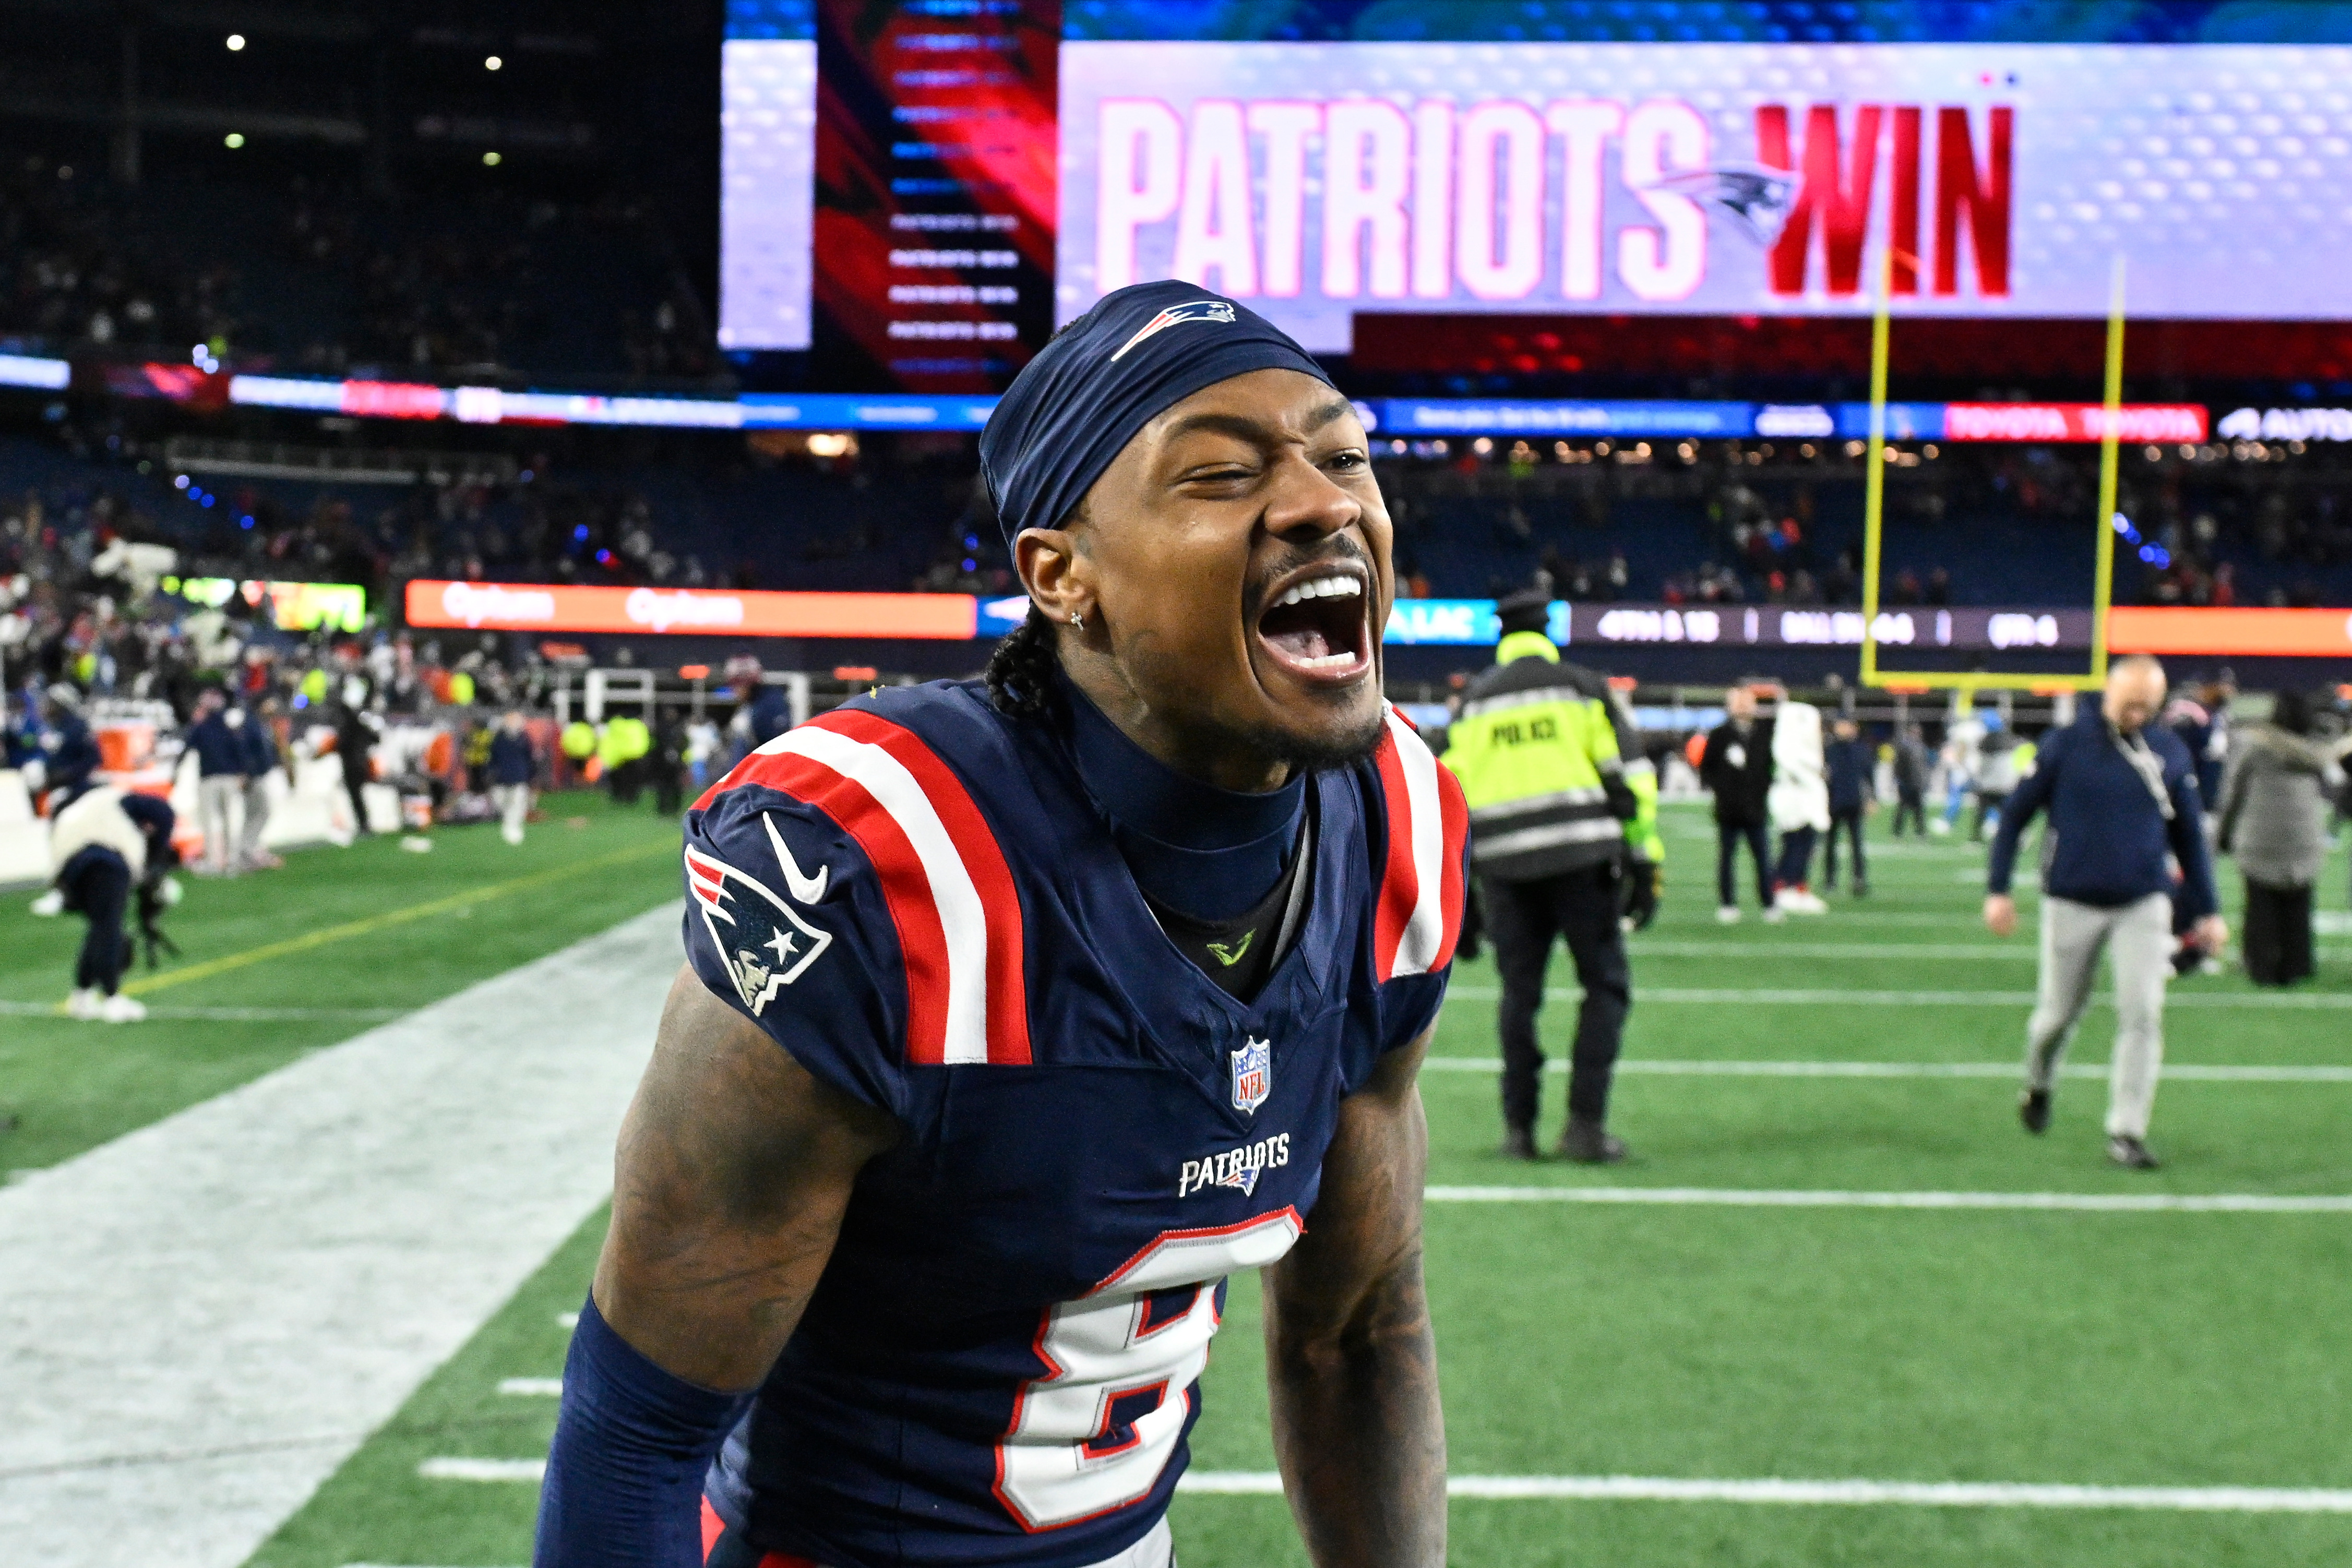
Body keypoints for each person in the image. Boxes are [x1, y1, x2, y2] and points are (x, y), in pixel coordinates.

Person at [535, 281, 1458, 1568]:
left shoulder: (1393, 824)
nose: (1322, 500)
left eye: (1342, 453)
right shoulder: (881, 869)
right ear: (1060, 574)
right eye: (1215, 474)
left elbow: (1351, 1330)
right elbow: (637, 1431)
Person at [1985, 656, 2223, 1169]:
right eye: (2129, 701)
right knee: (2056, 1016)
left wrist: (2209, 909)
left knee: (2142, 1013)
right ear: (2109, 693)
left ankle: (2126, 1130)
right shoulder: (2065, 745)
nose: (2138, 712)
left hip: (2143, 901)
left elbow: (2189, 840)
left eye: (2148, 704)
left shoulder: (2169, 751)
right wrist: (1998, 888)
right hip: (2071, 898)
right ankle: (2039, 1083)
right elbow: (2014, 816)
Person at [1441, 586, 1640, 1163]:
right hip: (1582, 861)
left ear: (1502, 637)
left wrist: (1465, 891)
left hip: (1504, 869)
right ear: (1546, 633)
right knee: (1604, 986)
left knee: (1519, 997)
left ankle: (1518, 1130)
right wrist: (1644, 855)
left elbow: (1452, 795)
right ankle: (1583, 1126)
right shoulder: (1579, 686)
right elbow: (1626, 775)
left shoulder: (1475, 702)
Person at [2217, 690, 2348, 986]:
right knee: (2299, 904)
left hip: (2260, 835)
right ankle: (2297, 964)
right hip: (2304, 836)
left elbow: (2234, 792)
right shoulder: (2317, 752)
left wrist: (2223, 835)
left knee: (2260, 905)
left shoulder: (2255, 745)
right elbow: (2336, 781)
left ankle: (2260, 965)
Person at [46, 781, 178, 1022]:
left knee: (100, 927)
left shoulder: (80, 808)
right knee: (109, 930)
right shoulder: (120, 800)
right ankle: (112, 998)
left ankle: (82, 996)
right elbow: (164, 811)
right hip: (105, 862)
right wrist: (158, 855)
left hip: (70, 869)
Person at [1700, 682, 1775, 922]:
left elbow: (1770, 767)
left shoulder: (1765, 732)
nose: (1743, 706)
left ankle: (1769, 903)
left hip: (1756, 808)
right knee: (1727, 859)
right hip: (1729, 809)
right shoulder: (1720, 734)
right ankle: (1728, 903)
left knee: (1763, 858)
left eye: (1747, 702)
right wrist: (1722, 790)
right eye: (1738, 701)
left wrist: (1763, 788)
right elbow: (1707, 767)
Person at [1768, 689, 1829, 915]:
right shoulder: (1787, 746)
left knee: (1807, 843)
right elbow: (1788, 760)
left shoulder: (1807, 749)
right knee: (1794, 843)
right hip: (1793, 796)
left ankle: (1797, 885)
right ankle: (1784, 886)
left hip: (1807, 797)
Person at [185, 689, 246, 876]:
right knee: (229, 820)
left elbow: (188, 746)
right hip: (228, 777)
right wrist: (243, 772)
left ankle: (213, 862)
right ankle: (231, 861)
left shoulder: (202, 727)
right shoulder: (230, 726)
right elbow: (240, 749)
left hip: (210, 778)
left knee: (210, 821)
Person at [1822, 714, 1873, 895]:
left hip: (1853, 802)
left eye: (1846, 726)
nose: (1842, 729)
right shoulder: (1829, 749)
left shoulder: (1862, 749)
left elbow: (1869, 776)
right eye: (1840, 726)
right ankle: (1830, 879)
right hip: (1833, 802)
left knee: (1857, 844)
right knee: (1830, 844)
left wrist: (1871, 799)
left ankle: (1859, 879)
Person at [238, 697, 284, 871]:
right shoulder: (251, 725)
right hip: (253, 776)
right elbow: (246, 750)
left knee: (255, 813)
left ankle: (248, 849)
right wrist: (246, 773)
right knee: (261, 812)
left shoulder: (258, 723)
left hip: (258, 774)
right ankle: (248, 849)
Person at [1972, 711, 2022, 843]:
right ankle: (2019, 838)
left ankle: (1975, 838)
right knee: (2010, 815)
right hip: (2005, 785)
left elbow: (1981, 762)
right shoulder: (2010, 739)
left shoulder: (1985, 740)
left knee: (1981, 814)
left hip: (1988, 785)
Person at [488, 710, 537, 846]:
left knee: (517, 802)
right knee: (499, 800)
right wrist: (491, 772)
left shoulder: (524, 739)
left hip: (519, 776)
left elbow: (530, 758)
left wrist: (531, 775)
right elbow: (493, 757)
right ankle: (508, 822)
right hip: (501, 777)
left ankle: (513, 827)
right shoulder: (499, 739)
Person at [335, 700, 378, 838]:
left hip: (351, 765)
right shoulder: (361, 725)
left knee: (356, 796)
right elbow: (376, 738)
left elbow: (342, 746)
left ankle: (364, 824)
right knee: (360, 795)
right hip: (363, 763)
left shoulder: (346, 728)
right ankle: (365, 824)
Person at [1891, 722, 1930, 836]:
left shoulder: (1921, 747)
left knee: (1919, 809)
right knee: (1903, 808)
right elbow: (1899, 766)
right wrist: (1899, 780)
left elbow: (1923, 765)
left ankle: (1920, 832)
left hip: (1917, 783)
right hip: (1906, 783)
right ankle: (1897, 831)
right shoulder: (1904, 747)